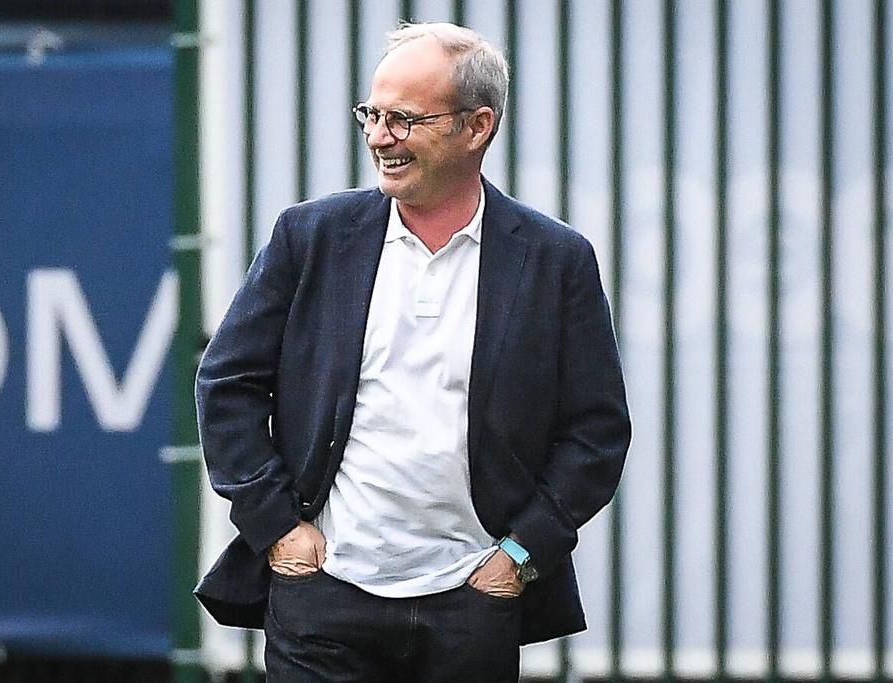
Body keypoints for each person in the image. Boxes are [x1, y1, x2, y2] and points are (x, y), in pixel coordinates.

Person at [194, 21, 630, 682]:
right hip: (323, 593)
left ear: (477, 127)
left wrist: (519, 555)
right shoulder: (310, 237)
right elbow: (227, 384)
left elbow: (596, 431)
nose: (379, 136)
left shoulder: (554, 259)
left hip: (474, 600)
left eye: (404, 119)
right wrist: (277, 526)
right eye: (371, 114)